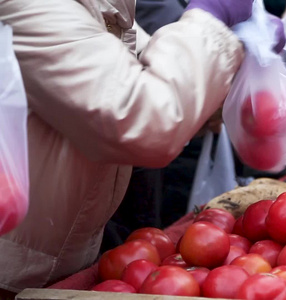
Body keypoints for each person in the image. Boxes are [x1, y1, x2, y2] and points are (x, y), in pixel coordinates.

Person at [0, 0, 255, 295]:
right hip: (13, 266)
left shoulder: (103, 6)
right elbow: (145, 118)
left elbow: (145, 70)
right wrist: (212, 19)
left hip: (50, 257)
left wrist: (257, 58)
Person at [101, 0, 286, 250]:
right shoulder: (62, 14)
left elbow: (142, 54)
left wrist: (256, 44)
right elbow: (154, 72)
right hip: (119, 181)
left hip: (129, 176)